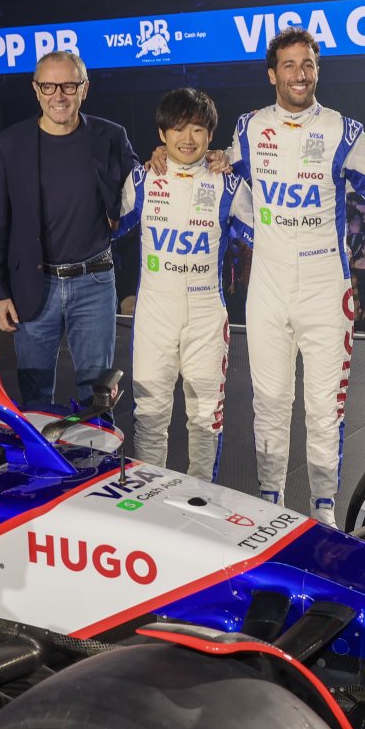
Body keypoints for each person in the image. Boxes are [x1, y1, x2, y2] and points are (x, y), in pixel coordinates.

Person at [223, 28, 365, 525]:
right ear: (271, 74)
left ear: (318, 70)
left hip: (327, 287)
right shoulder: (247, 129)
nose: (299, 74)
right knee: (270, 403)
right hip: (269, 287)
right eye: (289, 65)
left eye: (308, 64)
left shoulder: (345, 130)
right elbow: (221, 184)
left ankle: (322, 521)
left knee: (325, 411)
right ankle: (269, 510)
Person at [0, 51, 137, 407]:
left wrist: (168, 157)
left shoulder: (111, 136)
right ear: (35, 90)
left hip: (95, 283)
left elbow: (144, 185)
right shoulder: (9, 145)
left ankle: (100, 459)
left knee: (98, 396)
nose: (59, 95)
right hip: (33, 288)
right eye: (49, 86)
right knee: (36, 398)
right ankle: (47, 465)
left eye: (68, 85)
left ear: (84, 88)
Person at [114, 88, 249, 479]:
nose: (187, 139)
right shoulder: (141, 179)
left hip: (207, 312)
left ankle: (202, 496)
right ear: (162, 134)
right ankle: (149, 498)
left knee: (206, 416)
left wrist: (237, 164)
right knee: (150, 413)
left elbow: (267, 232)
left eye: (197, 130)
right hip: (155, 310)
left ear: (210, 136)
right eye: (177, 129)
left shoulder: (228, 184)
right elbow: (105, 231)